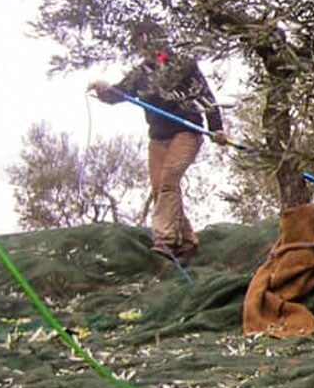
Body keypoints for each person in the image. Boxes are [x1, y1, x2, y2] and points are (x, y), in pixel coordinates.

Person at [88, 21, 228, 264]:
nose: (144, 46)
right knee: (159, 188)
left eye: (147, 40)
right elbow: (118, 94)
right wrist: (102, 90)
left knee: (168, 181)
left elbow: (206, 97)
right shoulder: (140, 74)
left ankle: (165, 240)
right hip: (158, 136)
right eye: (139, 42)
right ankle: (186, 241)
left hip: (186, 130)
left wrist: (216, 129)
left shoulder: (181, 65)